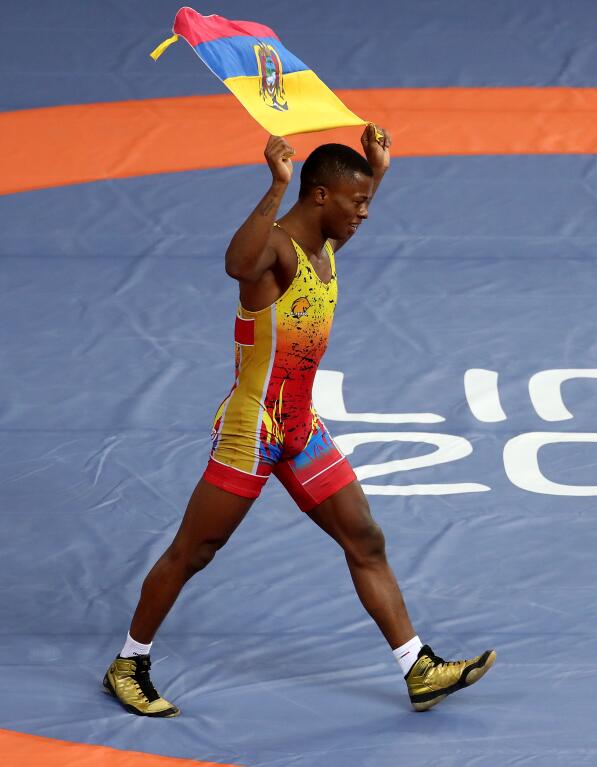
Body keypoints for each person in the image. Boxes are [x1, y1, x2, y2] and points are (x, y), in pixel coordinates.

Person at [102, 124, 494, 717]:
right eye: (356, 203)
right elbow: (236, 262)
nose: (364, 214)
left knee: (365, 539)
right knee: (194, 551)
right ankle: (128, 662)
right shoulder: (275, 253)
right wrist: (276, 183)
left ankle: (417, 667)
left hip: (301, 428)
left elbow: (343, 213)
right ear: (318, 198)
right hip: (252, 430)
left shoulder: (323, 247)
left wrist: (375, 171)